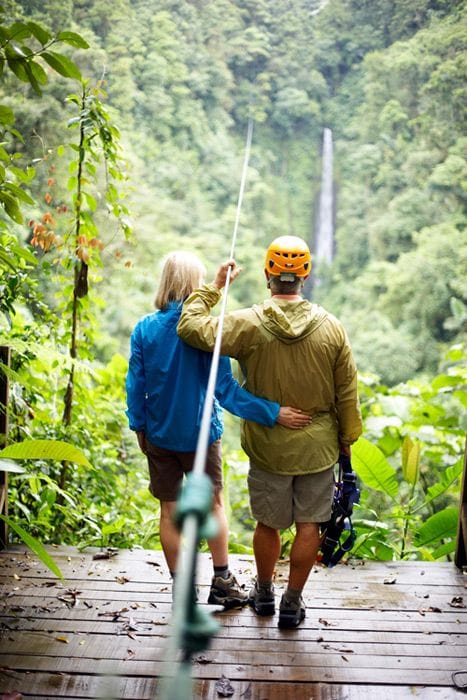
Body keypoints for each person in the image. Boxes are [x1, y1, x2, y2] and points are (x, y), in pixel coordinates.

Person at [177, 236, 363, 628]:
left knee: (268, 524)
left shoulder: (248, 324)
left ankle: (264, 591)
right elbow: (347, 391)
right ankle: (292, 603)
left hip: (268, 445)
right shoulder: (332, 329)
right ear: (305, 276)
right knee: (310, 524)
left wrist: (213, 288)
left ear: (267, 275)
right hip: (318, 446)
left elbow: (190, 328)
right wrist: (347, 438)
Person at [125, 250, 310, 609]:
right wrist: (273, 413)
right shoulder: (207, 332)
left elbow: (136, 385)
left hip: (159, 435)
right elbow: (226, 391)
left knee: (169, 511)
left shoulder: (144, 329)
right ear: (196, 286)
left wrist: (140, 427)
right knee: (213, 506)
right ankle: (222, 580)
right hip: (201, 436)